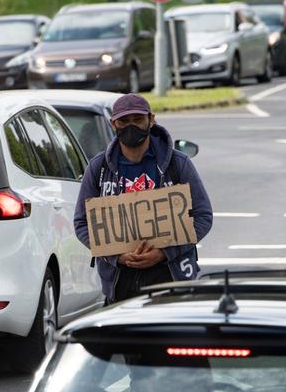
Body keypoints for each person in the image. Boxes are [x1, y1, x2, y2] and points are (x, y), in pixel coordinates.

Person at [74, 93, 213, 304]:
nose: (131, 127)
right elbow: (82, 223)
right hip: (120, 281)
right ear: (113, 124)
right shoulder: (98, 168)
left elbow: (203, 217)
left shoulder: (178, 163)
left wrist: (165, 252)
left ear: (151, 119)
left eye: (138, 119)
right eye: (124, 121)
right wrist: (116, 256)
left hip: (170, 276)